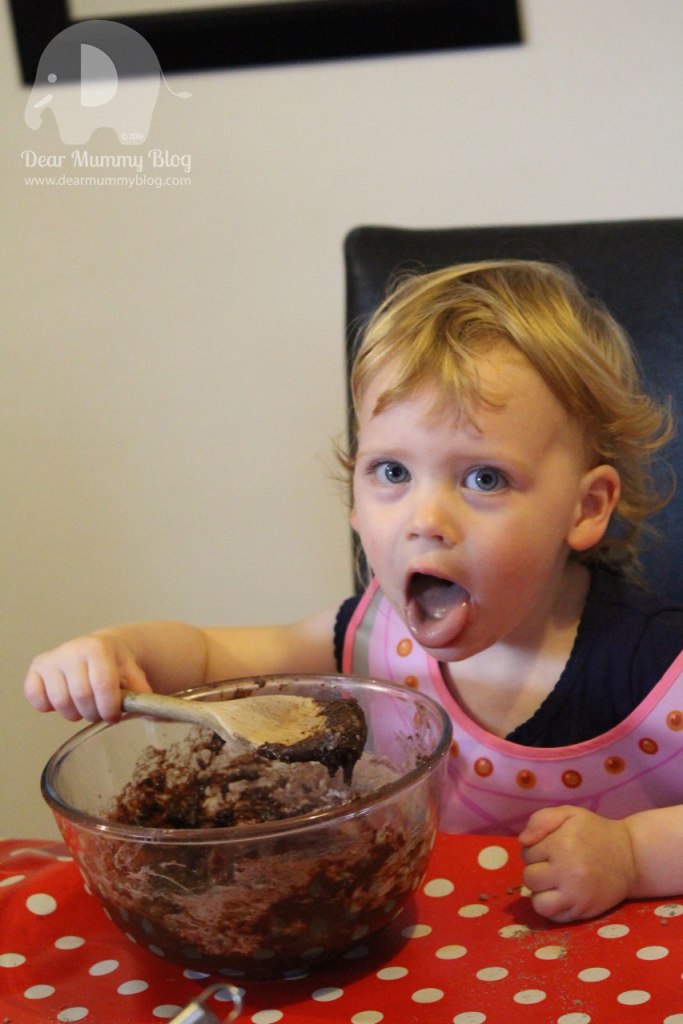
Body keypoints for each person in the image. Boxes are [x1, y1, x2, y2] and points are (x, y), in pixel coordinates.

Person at [25, 259, 683, 924]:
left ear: (584, 507)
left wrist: (631, 854)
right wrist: (113, 651)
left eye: (484, 479)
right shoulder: (370, 644)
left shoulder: (655, 666)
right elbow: (200, 660)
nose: (424, 520)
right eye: (391, 471)